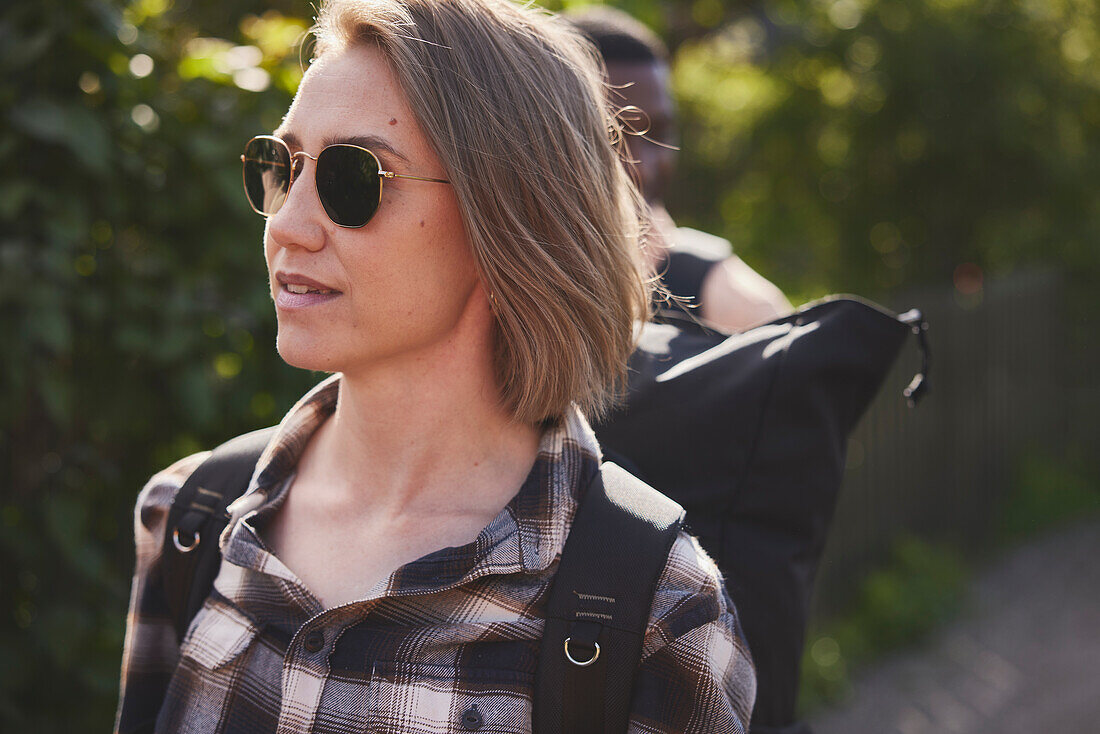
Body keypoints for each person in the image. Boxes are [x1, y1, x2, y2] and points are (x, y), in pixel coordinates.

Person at [114, 1, 755, 732]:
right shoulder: (191, 516)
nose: (287, 223)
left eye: (355, 179)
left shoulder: (657, 613)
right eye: (279, 166)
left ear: (510, 217)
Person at [568, 7, 792, 333]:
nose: (641, 168)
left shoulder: (741, 309)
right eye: (610, 137)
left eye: (657, 134)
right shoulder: (494, 287)